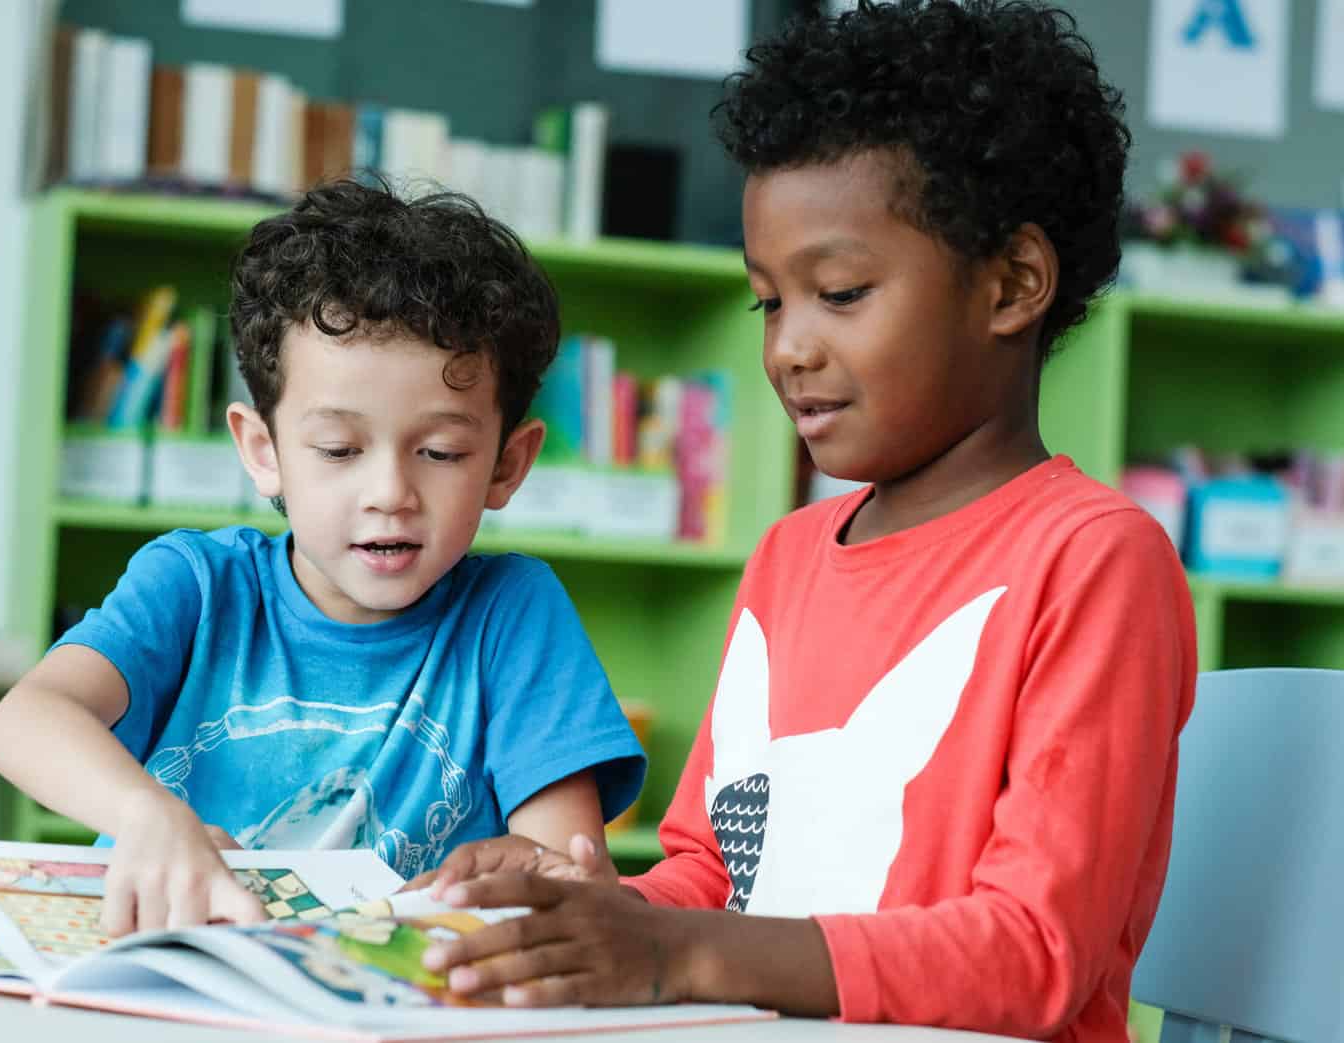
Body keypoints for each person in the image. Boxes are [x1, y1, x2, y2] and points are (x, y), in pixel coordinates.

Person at [414, 4, 1196, 1041]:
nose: (787, 347)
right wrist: (586, 914)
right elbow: (710, 870)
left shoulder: (1093, 559)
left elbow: (1034, 953)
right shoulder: (788, 555)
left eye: (838, 291)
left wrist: (677, 952)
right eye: (768, 302)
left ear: (1012, 284)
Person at [0, 180, 646, 938]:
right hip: (174, 968)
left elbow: (562, 867)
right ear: (264, 452)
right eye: (338, 449)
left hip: (381, 996)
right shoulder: (196, 585)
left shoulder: (513, 614)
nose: (390, 492)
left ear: (506, 464)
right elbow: (26, 720)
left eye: (441, 451)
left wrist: (538, 873)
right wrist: (147, 816)